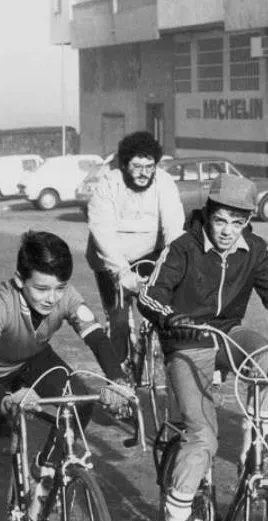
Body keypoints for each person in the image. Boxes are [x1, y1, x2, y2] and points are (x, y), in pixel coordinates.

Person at [138, 174, 268, 521]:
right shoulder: (183, 248)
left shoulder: (253, 251)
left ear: (247, 222)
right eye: (221, 221)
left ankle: (256, 451)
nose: (227, 231)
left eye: (237, 223)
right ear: (207, 216)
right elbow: (150, 296)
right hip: (187, 342)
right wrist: (171, 318)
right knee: (202, 436)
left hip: (228, 334)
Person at [0, 230, 133, 521]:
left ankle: (44, 468)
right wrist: (7, 398)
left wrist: (118, 381)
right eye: (41, 289)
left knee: (78, 402)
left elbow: (97, 337)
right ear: (20, 279)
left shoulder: (65, 295)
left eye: (59, 288)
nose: (52, 298)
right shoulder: (0, 302)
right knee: (0, 464)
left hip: (34, 361)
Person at [86, 131, 185, 362]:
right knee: (119, 321)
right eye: (137, 166)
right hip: (111, 259)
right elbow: (102, 232)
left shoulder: (164, 181)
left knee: (165, 311)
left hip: (149, 254)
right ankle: (119, 376)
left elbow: (173, 226)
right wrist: (121, 271)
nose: (144, 173)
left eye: (149, 166)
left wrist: (175, 264)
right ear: (124, 164)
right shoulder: (108, 183)